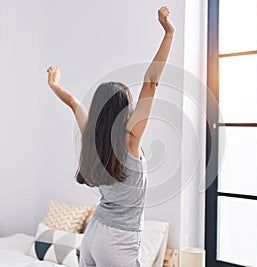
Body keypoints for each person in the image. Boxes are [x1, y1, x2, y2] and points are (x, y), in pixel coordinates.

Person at [46, 6, 175, 267]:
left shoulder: (92, 137)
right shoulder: (131, 139)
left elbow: (73, 102)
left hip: (93, 235)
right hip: (119, 241)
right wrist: (168, 33)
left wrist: (54, 84)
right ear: (124, 110)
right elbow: (151, 82)